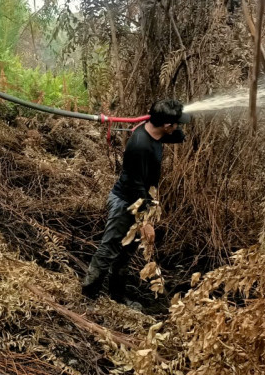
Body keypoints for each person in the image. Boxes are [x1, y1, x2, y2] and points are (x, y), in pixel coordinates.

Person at [81, 99, 191, 304]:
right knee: (109, 249)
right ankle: (88, 295)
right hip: (125, 202)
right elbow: (135, 186)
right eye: (176, 123)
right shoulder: (140, 146)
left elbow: (180, 136)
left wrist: (183, 114)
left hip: (138, 201)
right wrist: (146, 221)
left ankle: (117, 298)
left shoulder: (157, 132)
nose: (178, 127)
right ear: (167, 125)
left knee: (125, 252)